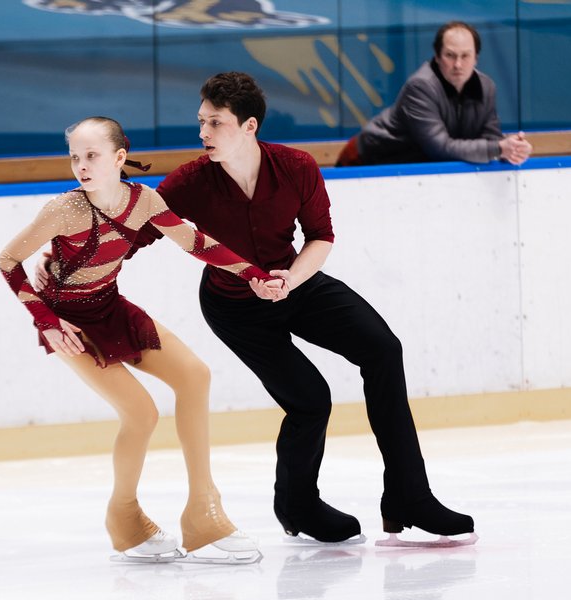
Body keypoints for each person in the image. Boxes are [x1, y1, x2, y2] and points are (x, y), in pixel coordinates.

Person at [41, 73, 476, 547]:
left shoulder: (295, 166)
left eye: (215, 123)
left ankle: (409, 497)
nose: (203, 132)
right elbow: (127, 233)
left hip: (297, 284)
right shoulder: (189, 182)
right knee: (310, 399)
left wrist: (291, 279)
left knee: (383, 350)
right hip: (235, 308)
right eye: (201, 121)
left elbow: (321, 236)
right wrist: (62, 270)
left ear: (249, 126)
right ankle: (298, 506)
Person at [0, 116, 282, 563]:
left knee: (195, 375)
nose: (81, 166)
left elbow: (195, 242)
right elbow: (8, 260)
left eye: (92, 155)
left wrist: (253, 274)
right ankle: (124, 518)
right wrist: (46, 320)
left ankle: (203, 511)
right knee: (141, 413)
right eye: (75, 157)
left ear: (119, 157)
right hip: (69, 324)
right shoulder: (64, 209)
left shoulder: (143, 200)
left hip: (110, 306)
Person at [335, 21, 532, 167]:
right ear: (437, 57)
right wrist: (499, 148)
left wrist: (514, 148)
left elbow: (491, 139)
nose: (458, 64)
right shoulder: (420, 87)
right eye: (450, 55)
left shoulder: (486, 87)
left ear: (476, 58)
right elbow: (440, 148)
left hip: (415, 164)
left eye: (465, 56)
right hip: (366, 159)